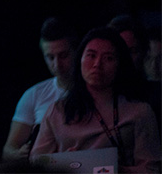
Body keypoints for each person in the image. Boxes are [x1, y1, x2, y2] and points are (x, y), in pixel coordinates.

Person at [30, 27, 161, 173]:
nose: (97, 64)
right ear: (80, 59)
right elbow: (37, 162)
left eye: (108, 58)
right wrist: (63, 162)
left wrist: (117, 169)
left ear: (120, 64)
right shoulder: (58, 111)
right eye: (91, 55)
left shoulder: (138, 112)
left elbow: (151, 168)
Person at [2, 17, 77, 161]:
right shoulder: (33, 95)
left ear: (76, 51)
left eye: (63, 55)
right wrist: (19, 154)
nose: (57, 64)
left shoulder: (96, 92)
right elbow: (8, 150)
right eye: (50, 57)